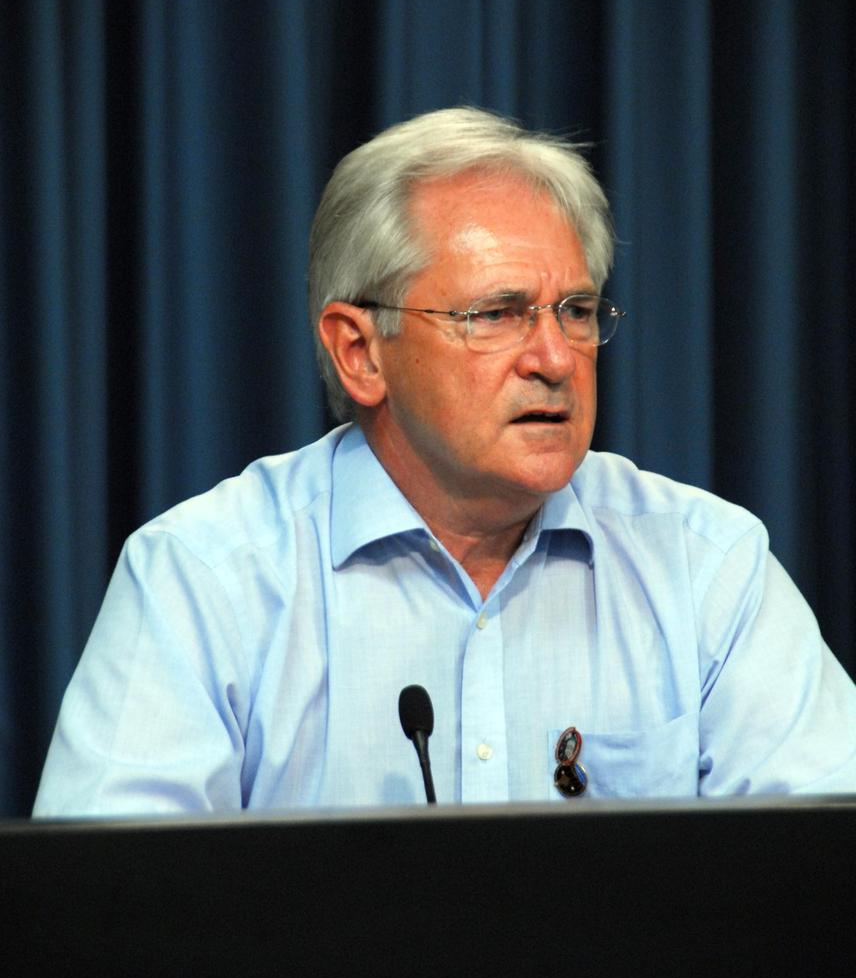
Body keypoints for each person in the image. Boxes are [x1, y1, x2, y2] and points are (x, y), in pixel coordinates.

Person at [33, 107, 856, 815]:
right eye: (496, 314)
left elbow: (817, 878)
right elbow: (110, 924)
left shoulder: (706, 569)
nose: (556, 358)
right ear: (361, 352)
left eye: (574, 310)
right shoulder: (203, 581)